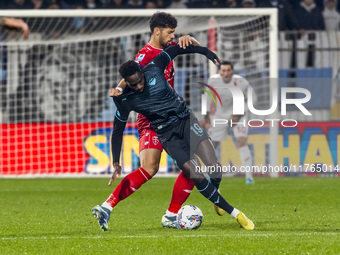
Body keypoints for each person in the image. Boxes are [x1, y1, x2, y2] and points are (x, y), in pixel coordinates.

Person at [92, 44, 255, 231]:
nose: (138, 86)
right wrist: (115, 161)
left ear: (142, 72)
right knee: (196, 174)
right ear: (126, 84)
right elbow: (117, 130)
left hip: (186, 121)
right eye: (133, 85)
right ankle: (236, 214)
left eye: (140, 81)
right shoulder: (125, 100)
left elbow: (177, 49)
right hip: (167, 135)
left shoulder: (154, 67)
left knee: (214, 166)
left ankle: (215, 195)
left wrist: (207, 53)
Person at [108, 12, 225, 229]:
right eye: (170, 33)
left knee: (181, 167)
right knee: (154, 168)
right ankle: (112, 205)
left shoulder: (163, 51)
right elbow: (130, 75)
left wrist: (189, 40)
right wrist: (118, 89)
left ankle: (170, 215)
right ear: (157, 31)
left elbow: (189, 47)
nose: (172, 36)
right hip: (152, 118)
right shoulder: (146, 56)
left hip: (169, 115)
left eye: (174, 33)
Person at [204, 61, 255, 184]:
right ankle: (208, 174)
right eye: (223, 70)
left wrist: (238, 114)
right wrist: (206, 117)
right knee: (211, 144)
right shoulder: (213, 81)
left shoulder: (241, 82)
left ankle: (249, 176)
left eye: (228, 70)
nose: (225, 73)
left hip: (238, 115)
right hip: (220, 115)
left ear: (232, 71)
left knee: (242, 141)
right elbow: (207, 98)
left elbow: (253, 98)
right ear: (219, 71)